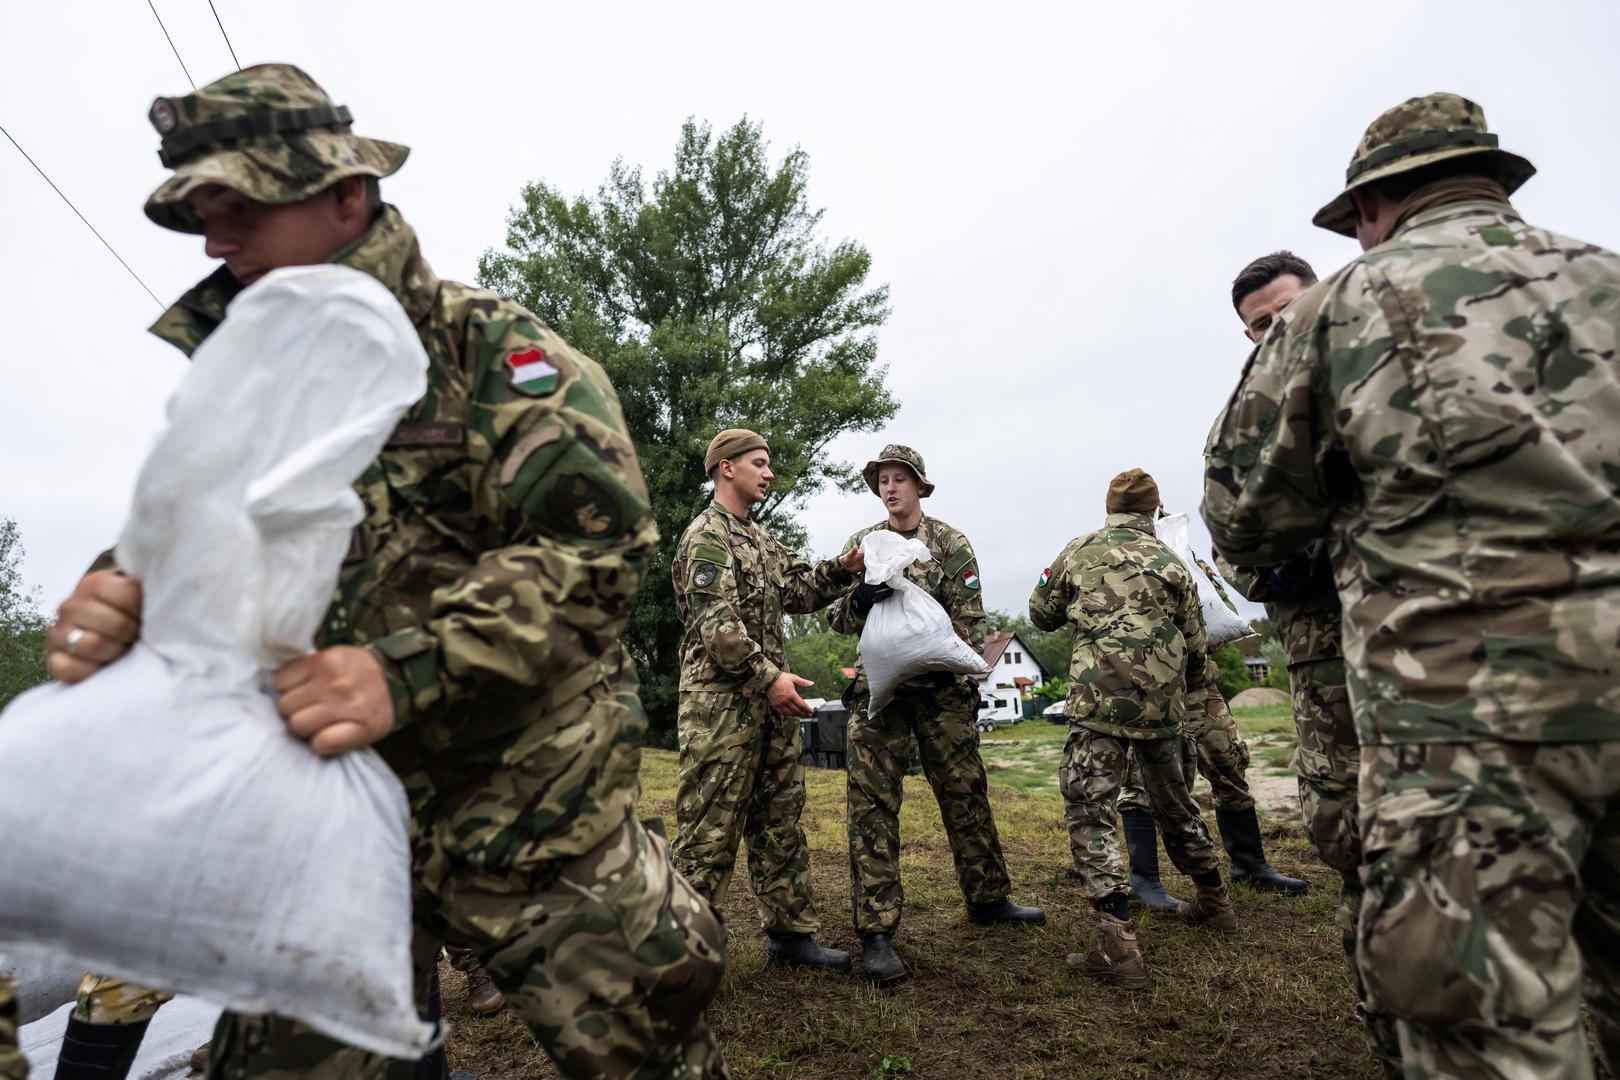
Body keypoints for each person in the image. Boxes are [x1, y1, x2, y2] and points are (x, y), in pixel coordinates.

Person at [45, 63, 726, 1079]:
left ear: (345, 196)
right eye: (197, 215)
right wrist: (125, 591)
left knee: (650, 1044)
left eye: (239, 208)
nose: (212, 242)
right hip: (317, 826)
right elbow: (191, 532)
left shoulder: (494, 356)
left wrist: (402, 669)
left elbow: (598, 555)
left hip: (526, 814)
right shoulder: (244, 381)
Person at [1203, 92, 1620, 1079]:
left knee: (1488, 1018)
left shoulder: (1347, 305)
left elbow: (1239, 512)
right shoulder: (1606, 279)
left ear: (1372, 208)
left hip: (1474, 721)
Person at [1215, 250, 1398, 1072]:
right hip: (1327, 662)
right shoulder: (1259, 418)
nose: (1277, 330)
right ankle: (1394, 1031)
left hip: (1433, 647)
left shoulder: (1394, 365)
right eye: (1259, 325)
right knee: (1354, 833)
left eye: (1288, 310)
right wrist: (1281, 569)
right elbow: (1237, 540)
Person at [826, 445, 1044, 985]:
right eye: (883, 480)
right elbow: (835, 617)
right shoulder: (866, 546)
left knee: (965, 791)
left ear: (921, 487)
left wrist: (934, 659)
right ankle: (876, 933)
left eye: (901, 479)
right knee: (871, 806)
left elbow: (971, 620)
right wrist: (861, 599)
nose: (891, 487)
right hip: (881, 698)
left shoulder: (950, 544)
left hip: (943, 693)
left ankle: (988, 899)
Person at [1029, 468, 1237, 988]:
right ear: (1153, 512)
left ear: (1109, 509)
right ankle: (1216, 903)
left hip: (1098, 708)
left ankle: (1118, 949)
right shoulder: (1173, 561)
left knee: (1091, 811)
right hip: (1162, 711)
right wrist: (1182, 699)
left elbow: (1040, 614)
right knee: (1176, 806)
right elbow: (1196, 642)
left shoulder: (1079, 550)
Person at [671, 429, 861, 974]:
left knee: (780, 819)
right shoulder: (707, 537)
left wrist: (843, 570)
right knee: (708, 829)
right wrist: (769, 678)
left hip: (768, 707)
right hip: (721, 709)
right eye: (759, 463)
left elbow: (800, 589)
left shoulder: (759, 538)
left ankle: (790, 935)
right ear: (726, 469)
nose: (769, 473)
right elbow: (718, 627)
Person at [1117, 547, 1306, 910]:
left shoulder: (1190, 561)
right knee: (1142, 782)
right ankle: (1143, 880)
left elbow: (1219, 608)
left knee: (1230, 764)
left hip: (1201, 688)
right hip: (1149, 691)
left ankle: (1249, 865)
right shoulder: (1119, 560)